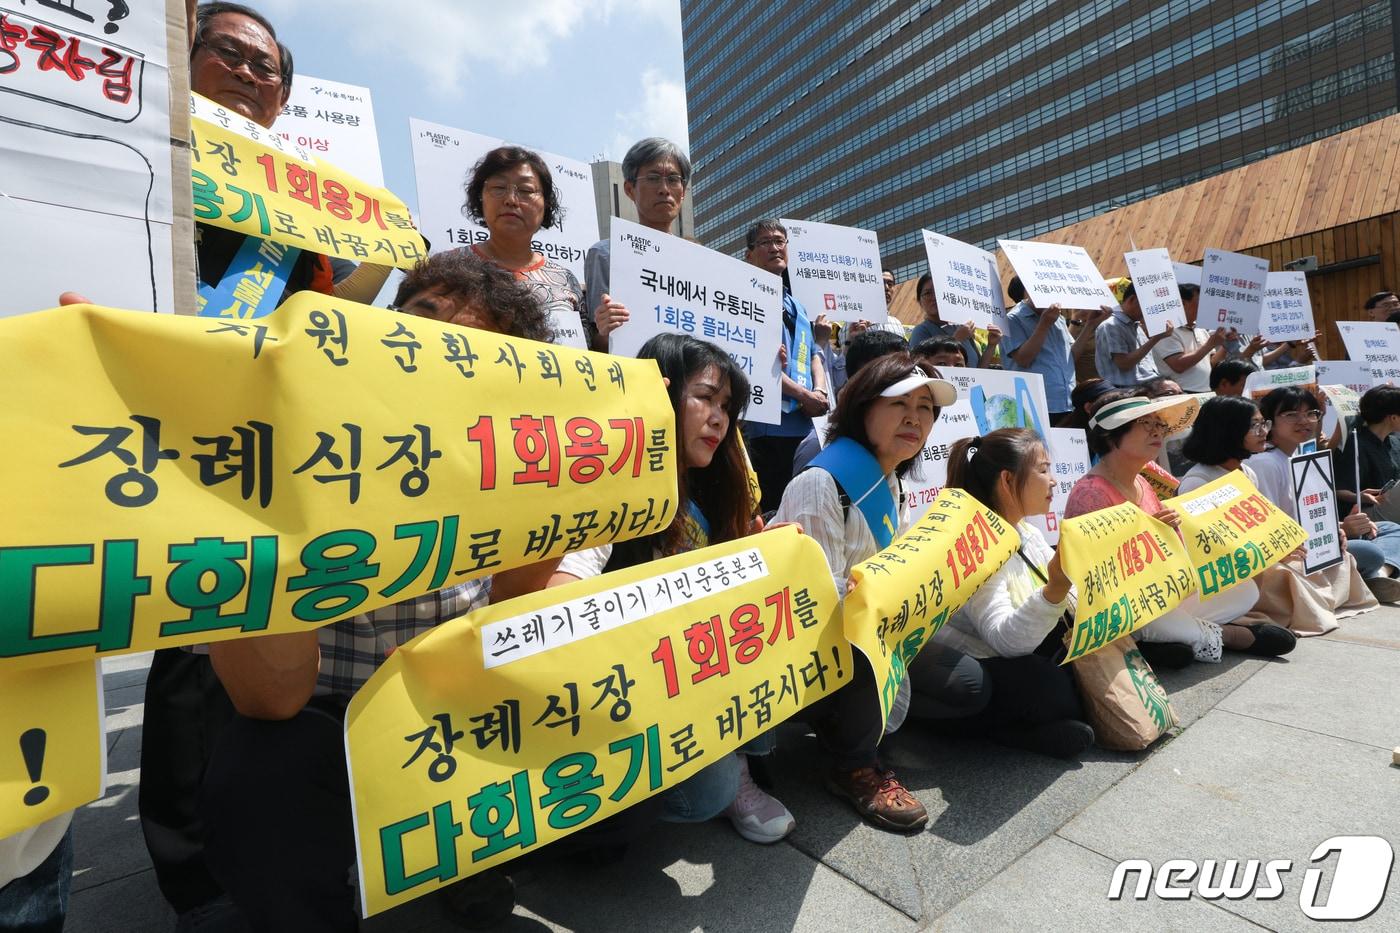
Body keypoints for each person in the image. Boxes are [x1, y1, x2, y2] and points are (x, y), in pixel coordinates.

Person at [196, 252, 565, 931]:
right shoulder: (287, 435)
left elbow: (517, 610)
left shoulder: (514, 469)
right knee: (259, 767)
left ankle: (464, 857)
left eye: (473, 347)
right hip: (321, 714)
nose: (434, 350)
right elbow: (271, 694)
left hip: (448, 708)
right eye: (421, 322)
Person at [138, 5, 347, 927]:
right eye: (229, 54)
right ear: (184, 59)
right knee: (181, 654)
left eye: (269, 70)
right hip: (137, 428)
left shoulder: (297, 207)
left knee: (239, 632)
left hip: (257, 445)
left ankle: (239, 842)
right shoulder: (141, 155)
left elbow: (320, 324)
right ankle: (192, 872)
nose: (250, 76)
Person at [548, 333, 794, 845]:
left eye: (727, 406)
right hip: (636, 686)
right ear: (659, 396)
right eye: (704, 397)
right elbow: (565, 587)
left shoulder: (713, 483)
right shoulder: (612, 489)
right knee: (710, 791)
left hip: (699, 666)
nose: (719, 417)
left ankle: (737, 760)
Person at [773, 355, 983, 832]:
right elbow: (816, 609)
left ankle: (851, 724)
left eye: (926, 407)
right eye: (900, 403)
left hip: (881, 634)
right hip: (824, 650)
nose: (915, 418)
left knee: (969, 685)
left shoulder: (893, 481)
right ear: (863, 407)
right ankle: (853, 763)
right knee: (862, 649)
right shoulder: (821, 482)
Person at [1064, 393, 1294, 666]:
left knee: (1245, 589)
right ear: (1112, 435)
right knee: (1152, 619)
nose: (1157, 432)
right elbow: (1097, 578)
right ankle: (1226, 635)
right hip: (1121, 604)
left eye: (1159, 425)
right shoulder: (1091, 492)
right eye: (1145, 425)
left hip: (1159, 590)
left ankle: (1172, 640)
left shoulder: (1142, 481)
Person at [928, 428, 1096, 759]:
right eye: (1044, 469)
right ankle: (1003, 730)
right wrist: (1055, 588)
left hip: (1024, 653)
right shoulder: (974, 543)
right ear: (1007, 480)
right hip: (979, 661)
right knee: (1049, 686)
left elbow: (1074, 600)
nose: (1054, 481)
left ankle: (1038, 728)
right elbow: (1005, 641)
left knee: (1088, 666)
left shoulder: (1026, 532)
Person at [1179, 396, 1378, 630]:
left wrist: (1328, 531)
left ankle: (1324, 598)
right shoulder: (1198, 481)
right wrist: (1274, 553)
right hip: (1240, 572)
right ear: (1228, 431)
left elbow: (1270, 524)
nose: (1264, 431)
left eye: (1264, 424)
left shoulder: (1246, 472)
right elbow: (1209, 549)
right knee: (1291, 574)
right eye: (1255, 426)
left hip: (1264, 558)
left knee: (1339, 557)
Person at [1250, 387, 1400, 604]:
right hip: (1294, 555)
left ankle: (1378, 576)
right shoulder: (1266, 463)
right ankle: (1372, 576)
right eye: (1291, 415)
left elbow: (1308, 517)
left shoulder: (1297, 456)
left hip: (1316, 541)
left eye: (1311, 413)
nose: (1304, 421)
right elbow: (1272, 530)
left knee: (1391, 530)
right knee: (1370, 552)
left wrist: (1339, 525)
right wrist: (1342, 529)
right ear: (1268, 422)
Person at [741, 219, 830, 512]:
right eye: (765, 242)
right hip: (769, 431)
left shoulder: (797, 305)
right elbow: (753, 367)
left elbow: (814, 353)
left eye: (780, 241)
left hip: (806, 428)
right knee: (775, 512)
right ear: (749, 254)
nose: (775, 248)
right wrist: (804, 396)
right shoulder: (745, 298)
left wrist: (818, 392)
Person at [461, 146, 590, 349]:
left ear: (546, 203)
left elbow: (586, 354)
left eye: (526, 190)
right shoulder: (445, 269)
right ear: (480, 196)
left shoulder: (566, 280)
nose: (511, 200)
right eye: (498, 188)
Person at [583, 137, 691, 349]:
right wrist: (606, 328)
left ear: (683, 193)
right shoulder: (606, 254)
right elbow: (599, 343)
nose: (664, 189)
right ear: (630, 189)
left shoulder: (700, 261)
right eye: (652, 178)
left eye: (673, 179)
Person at [792, 328, 908, 476]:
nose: (907, 383)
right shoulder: (820, 448)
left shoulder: (907, 442)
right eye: (896, 373)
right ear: (860, 377)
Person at [1002, 276, 1106, 420]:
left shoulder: (1059, 319)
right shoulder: (1012, 319)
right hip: (1035, 406)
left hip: (1068, 401)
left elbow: (1069, 358)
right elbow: (1023, 359)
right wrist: (1044, 324)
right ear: (1028, 291)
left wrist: (1090, 324)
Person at [1150, 284, 1228, 392]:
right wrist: (1210, 344)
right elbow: (1178, 365)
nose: (1205, 306)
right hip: (1181, 394)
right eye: (1200, 302)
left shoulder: (1200, 329)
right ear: (1182, 303)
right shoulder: (1166, 331)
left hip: (1205, 393)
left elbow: (1212, 363)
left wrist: (1225, 345)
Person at [1335, 385, 1400, 513]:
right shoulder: (1356, 444)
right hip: (1367, 514)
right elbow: (1338, 490)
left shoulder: (1394, 442)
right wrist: (1360, 497)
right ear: (1393, 418)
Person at [1095, 282, 1165, 388]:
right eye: (1147, 306)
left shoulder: (1135, 324)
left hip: (1148, 386)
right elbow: (1124, 364)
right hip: (1128, 391)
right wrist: (1156, 338)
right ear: (1132, 299)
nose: (1149, 311)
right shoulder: (1111, 325)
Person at [909, 273, 984, 366]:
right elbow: (919, 367)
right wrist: (957, 339)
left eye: (939, 292)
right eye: (928, 293)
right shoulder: (921, 331)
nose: (934, 297)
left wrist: (992, 345)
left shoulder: (961, 327)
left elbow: (979, 368)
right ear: (920, 302)